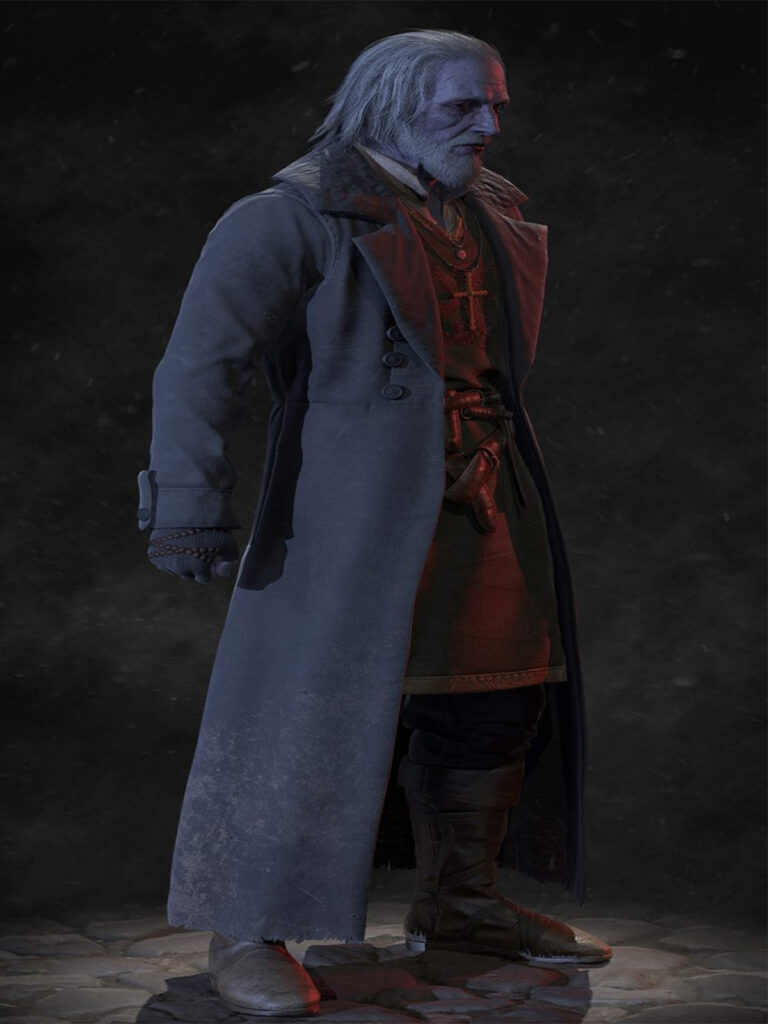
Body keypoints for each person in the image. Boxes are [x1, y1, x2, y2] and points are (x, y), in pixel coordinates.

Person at [137, 29, 612, 1018]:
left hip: (485, 498)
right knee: (309, 713)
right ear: (389, 106)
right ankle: (247, 929)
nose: (488, 125)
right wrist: (187, 505)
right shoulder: (291, 216)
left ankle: (461, 905)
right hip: (344, 519)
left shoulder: (485, 210)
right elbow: (200, 367)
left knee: (494, 702)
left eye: (495, 104)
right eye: (463, 106)